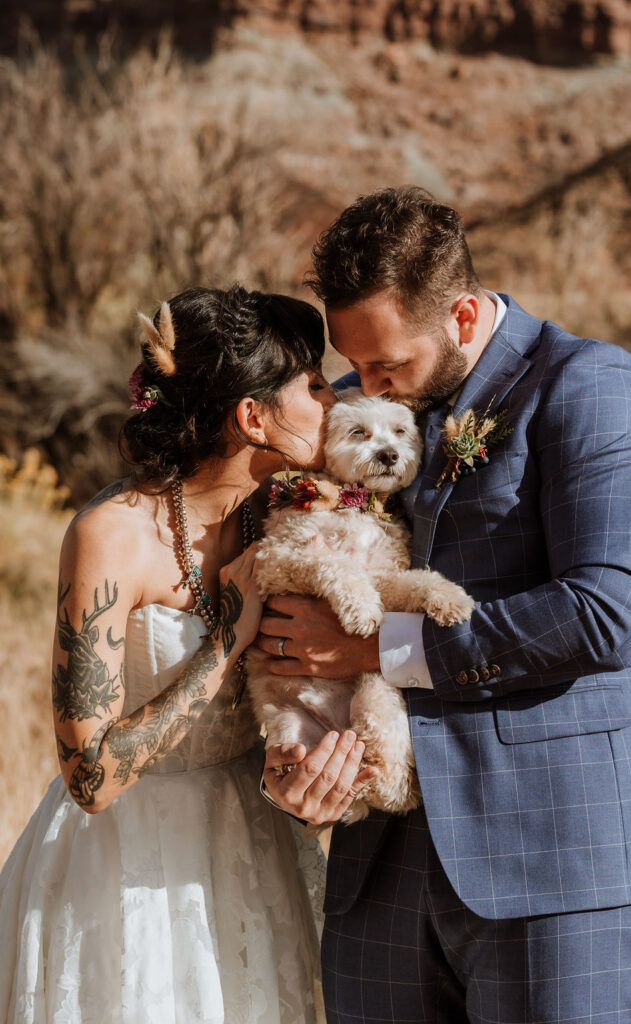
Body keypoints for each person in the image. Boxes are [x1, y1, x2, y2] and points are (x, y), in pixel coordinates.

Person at [260, 187, 631, 1023]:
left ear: (462, 314)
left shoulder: (585, 384)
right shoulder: (357, 402)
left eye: (388, 366)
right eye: (354, 364)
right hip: (378, 866)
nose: (363, 387)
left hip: (550, 859)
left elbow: (604, 611)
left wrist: (377, 649)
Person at [0, 285, 377, 1024]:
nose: (336, 399)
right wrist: (227, 637)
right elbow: (90, 778)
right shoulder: (112, 535)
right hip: (123, 873)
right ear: (251, 417)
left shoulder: (288, 518)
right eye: (314, 382)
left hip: (252, 854)